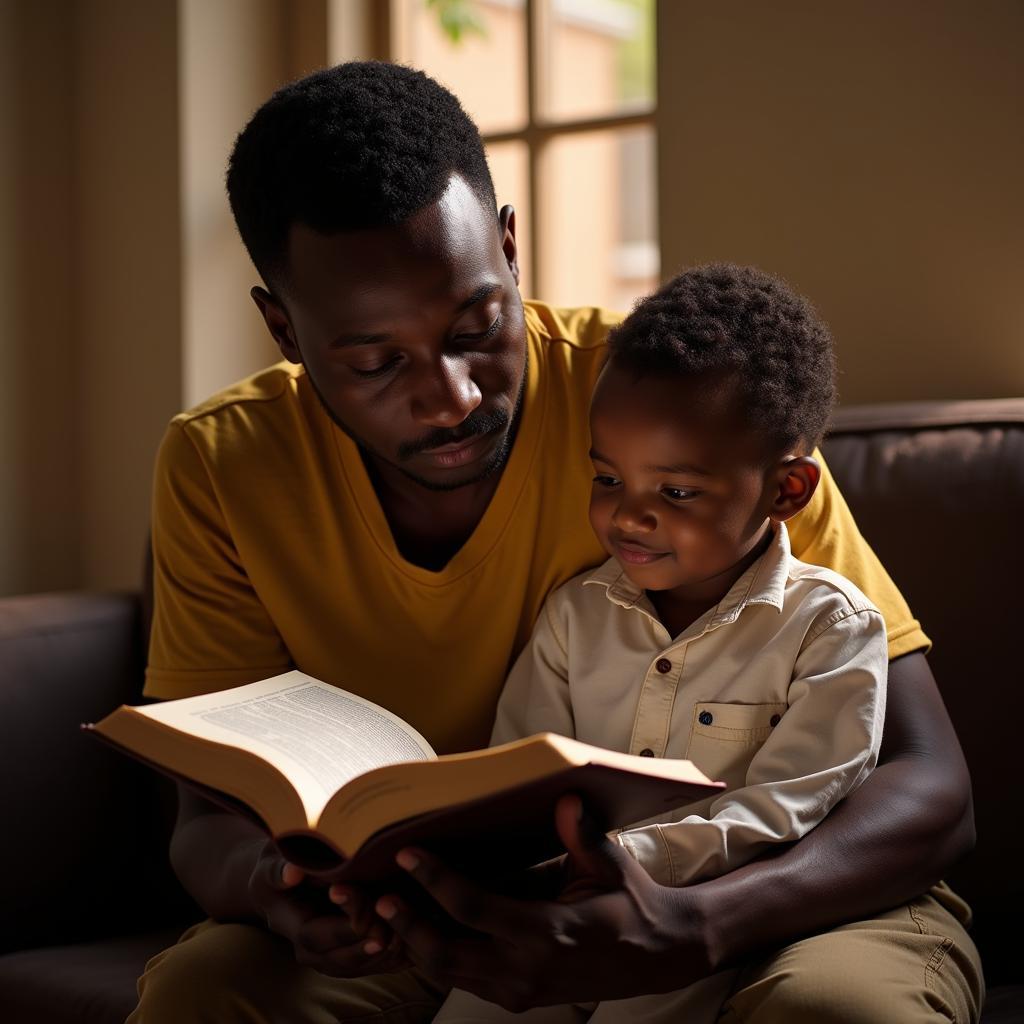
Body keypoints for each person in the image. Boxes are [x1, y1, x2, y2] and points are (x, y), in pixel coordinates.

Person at [129, 62, 982, 1022]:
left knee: (835, 1014)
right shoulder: (224, 463)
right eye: (376, 362)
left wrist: (696, 924)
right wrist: (277, 895)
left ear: (510, 246)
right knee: (205, 996)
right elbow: (204, 822)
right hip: (444, 917)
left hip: (778, 896)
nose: (452, 396)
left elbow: (930, 782)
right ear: (283, 327)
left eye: (478, 324)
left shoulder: (687, 403)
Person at [427, 264, 887, 1021]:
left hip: (706, 923)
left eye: (675, 493)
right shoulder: (577, 616)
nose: (627, 518)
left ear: (786, 492)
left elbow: (788, 808)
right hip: (562, 908)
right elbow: (522, 768)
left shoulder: (830, 629)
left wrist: (635, 860)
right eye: (608, 480)